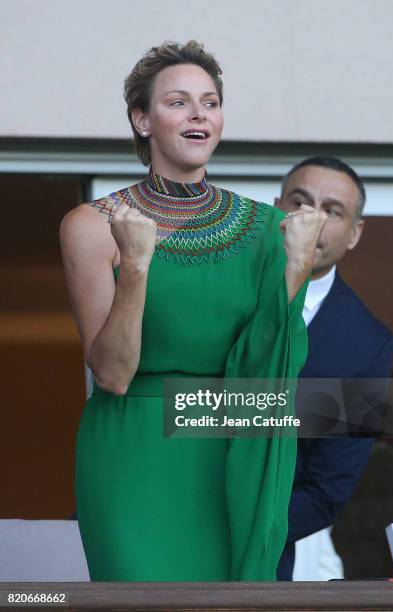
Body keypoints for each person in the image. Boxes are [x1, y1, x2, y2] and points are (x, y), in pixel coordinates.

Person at [60, 41, 327, 582]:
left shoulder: (265, 230)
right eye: (179, 102)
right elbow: (111, 374)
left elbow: (270, 365)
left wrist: (296, 270)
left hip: (228, 454)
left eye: (210, 102)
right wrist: (135, 265)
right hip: (131, 455)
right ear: (142, 119)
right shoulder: (91, 225)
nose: (199, 113)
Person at [275, 156, 393, 580]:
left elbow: (329, 490)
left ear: (355, 233)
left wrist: (250, 528)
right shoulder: (219, 293)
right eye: (299, 201)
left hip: (264, 558)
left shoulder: (366, 345)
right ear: (276, 207)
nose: (312, 218)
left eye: (333, 210)